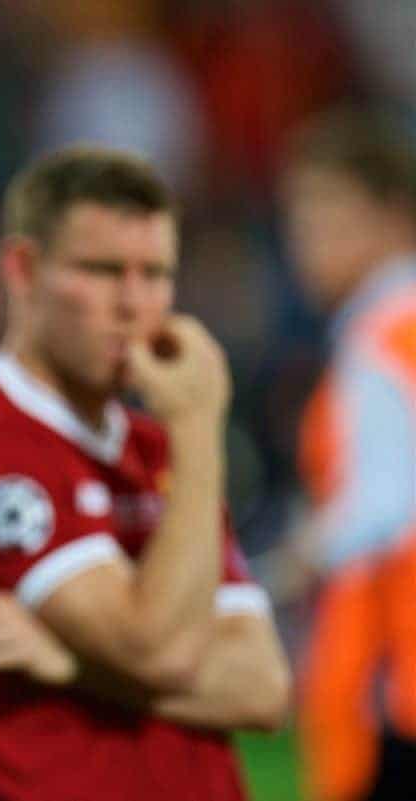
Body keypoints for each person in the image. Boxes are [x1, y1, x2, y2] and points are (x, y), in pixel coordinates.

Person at [0, 147, 290, 801]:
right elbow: (157, 652)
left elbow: (262, 685)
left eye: (155, 273)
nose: (133, 303)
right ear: (23, 268)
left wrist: (68, 662)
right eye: (101, 270)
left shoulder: (161, 453)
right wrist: (198, 425)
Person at [280, 109, 416, 801]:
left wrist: (293, 556)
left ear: (393, 214)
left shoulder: (381, 335)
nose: (307, 242)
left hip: (397, 671)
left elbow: (386, 504)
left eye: (328, 215)